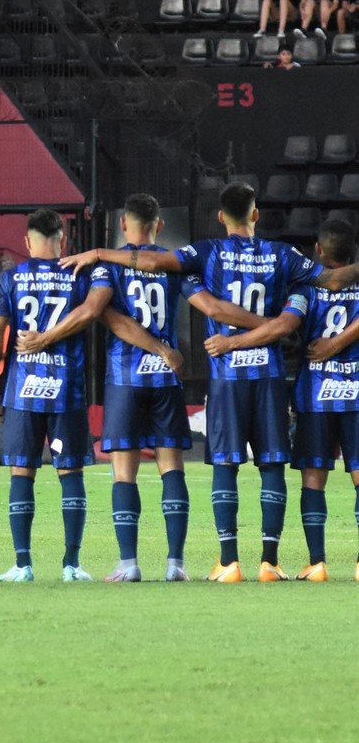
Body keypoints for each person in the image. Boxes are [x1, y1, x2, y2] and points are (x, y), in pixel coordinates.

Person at [62, 182, 359, 582]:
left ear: (221, 216)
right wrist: (273, 327)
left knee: (224, 464)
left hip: (223, 375)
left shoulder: (205, 253)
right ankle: (269, 562)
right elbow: (333, 281)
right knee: (271, 464)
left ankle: (228, 561)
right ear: (256, 215)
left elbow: (156, 267)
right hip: (269, 374)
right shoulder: (283, 255)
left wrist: (99, 252)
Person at [22, 195, 245, 582]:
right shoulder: (174, 266)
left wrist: (44, 338)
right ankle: (176, 564)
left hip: (126, 378)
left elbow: (102, 314)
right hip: (164, 378)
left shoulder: (108, 266)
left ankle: (129, 564)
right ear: (158, 226)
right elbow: (207, 305)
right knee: (171, 468)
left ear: (124, 225)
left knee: (124, 472)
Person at [201, 217, 359, 583]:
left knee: (313, 480)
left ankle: (317, 563)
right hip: (355, 393)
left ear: (318, 251)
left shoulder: (305, 288)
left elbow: (286, 323)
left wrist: (231, 341)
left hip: (315, 395)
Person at [0, 210, 115, 583]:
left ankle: (22, 565)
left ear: (27, 242)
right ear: (64, 240)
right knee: (70, 473)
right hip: (67, 390)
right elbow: (94, 314)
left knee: (21, 472)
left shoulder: (11, 278)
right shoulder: (80, 275)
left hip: (22, 391)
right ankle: (72, 565)